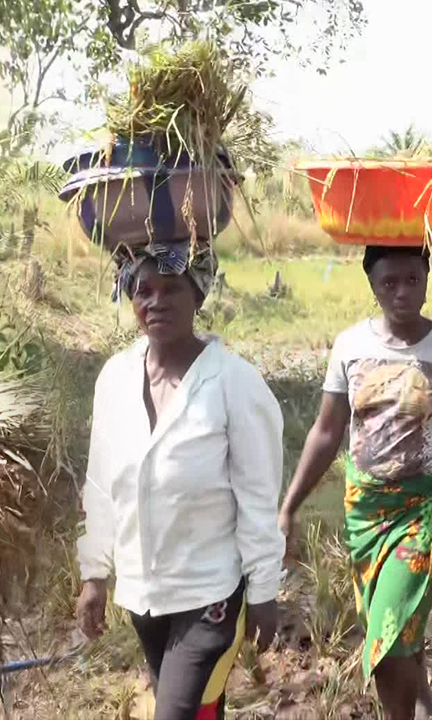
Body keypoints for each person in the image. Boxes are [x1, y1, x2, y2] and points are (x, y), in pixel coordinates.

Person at [278, 244, 432, 720]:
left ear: (427, 279)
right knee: (396, 618)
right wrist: (289, 506)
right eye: (388, 282)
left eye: (412, 280)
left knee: (389, 633)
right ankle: (427, 704)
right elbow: (327, 431)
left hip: (427, 506)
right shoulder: (350, 345)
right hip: (366, 509)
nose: (401, 292)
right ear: (372, 285)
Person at [75, 241, 285, 720]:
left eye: (171, 288)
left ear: (198, 294)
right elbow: (101, 484)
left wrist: (264, 592)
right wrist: (94, 576)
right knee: (201, 708)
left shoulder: (234, 384)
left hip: (208, 593)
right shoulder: (115, 379)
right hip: (143, 595)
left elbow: (257, 496)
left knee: (173, 713)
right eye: (143, 290)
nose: (156, 301)